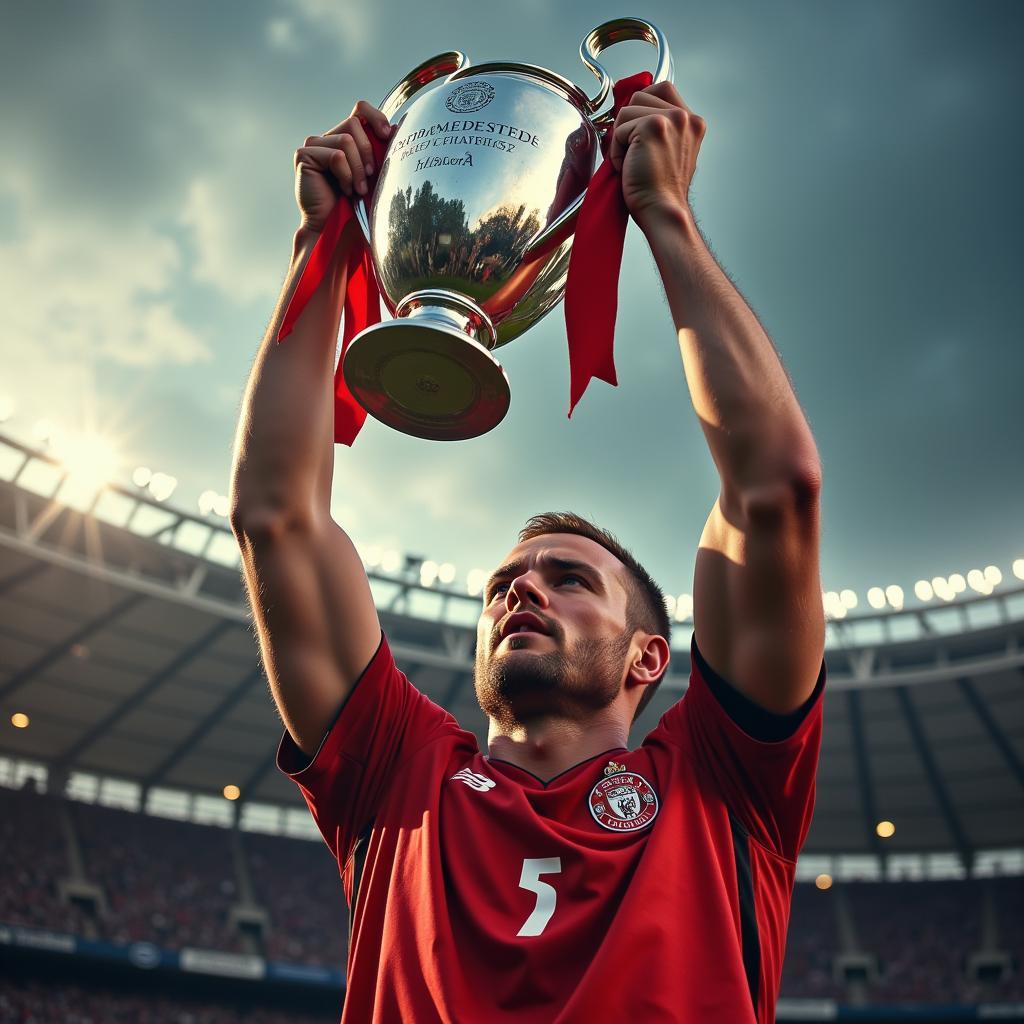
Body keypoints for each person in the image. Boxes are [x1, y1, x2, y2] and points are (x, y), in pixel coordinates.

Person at [230, 83, 826, 1024]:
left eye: (570, 579)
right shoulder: (400, 773)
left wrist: (662, 214)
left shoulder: (723, 781)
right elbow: (276, 518)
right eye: (506, 583)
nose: (522, 593)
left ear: (648, 658)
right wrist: (326, 244)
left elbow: (775, 494)